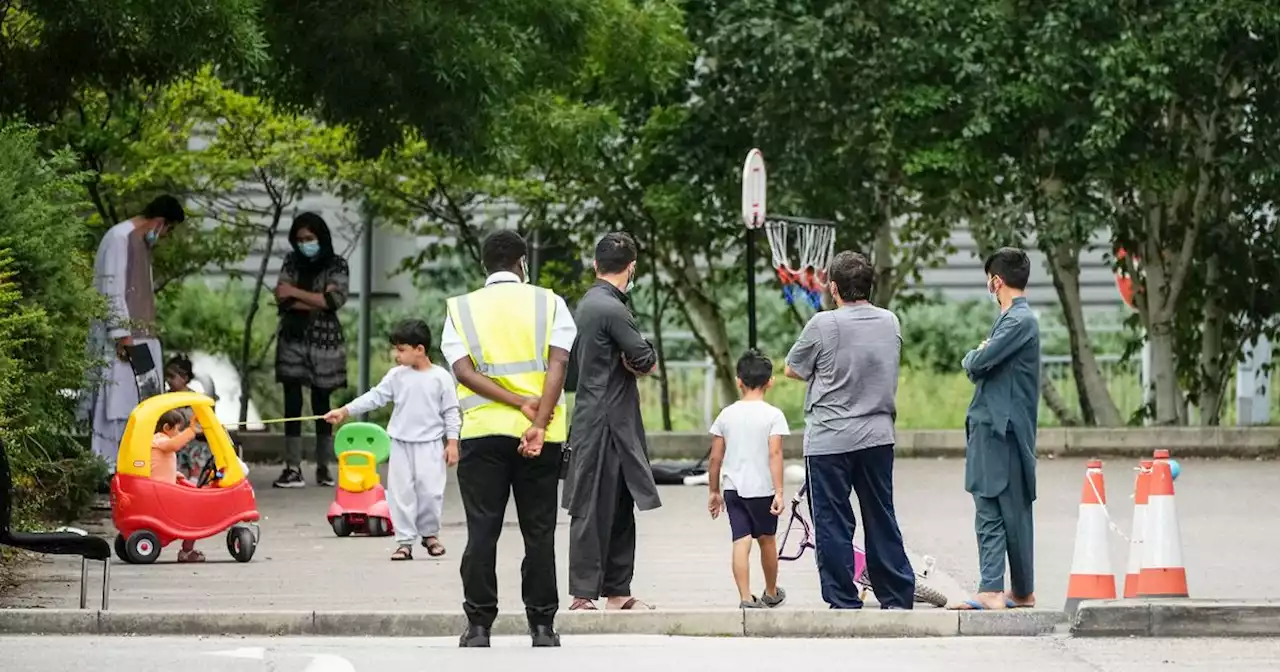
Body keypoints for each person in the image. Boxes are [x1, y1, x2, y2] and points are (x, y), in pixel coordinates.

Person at [441, 230, 575, 648]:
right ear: (522, 262)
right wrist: (538, 417)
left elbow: (462, 372)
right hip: (541, 436)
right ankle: (542, 628)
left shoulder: (460, 309)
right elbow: (560, 362)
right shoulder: (550, 302)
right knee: (540, 532)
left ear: (485, 265)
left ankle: (479, 627)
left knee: (482, 530)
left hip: (482, 435)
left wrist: (515, 401)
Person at [784, 250, 915, 610]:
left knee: (832, 520)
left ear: (834, 287)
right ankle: (896, 595)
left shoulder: (823, 324)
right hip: (877, 435)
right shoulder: (891, 321)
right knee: (880, 514)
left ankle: (844, 598)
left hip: (830, 438)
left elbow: (793, 368)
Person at [563, 231, 661, 612]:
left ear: (595, 264)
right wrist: (637, 360)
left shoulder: (592, 303)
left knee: (619, 505)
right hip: (604, 420)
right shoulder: (611, 309)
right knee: (590, 507)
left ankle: (618, 592)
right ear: (632, 266)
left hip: (608, 417)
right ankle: (583, 594)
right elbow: (645, 359)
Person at [323, 319, 461, 561]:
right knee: (401, 493)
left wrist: (452, 443)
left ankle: (430, 535)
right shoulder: (396, 376)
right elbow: (375, 397)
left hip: (430, 445)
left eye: (401, 349)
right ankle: (405, 542)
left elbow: (451, 412)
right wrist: (345, 411)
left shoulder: (441, 378)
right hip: (400, 443)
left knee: (431, 492)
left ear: (419, 349)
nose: (395, 354)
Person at [951, 247, 1041, 611]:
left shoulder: (1017, 321)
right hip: (1010, 429)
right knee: (1013, 510)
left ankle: (991, 589)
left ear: (996, 280)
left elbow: (979, 362)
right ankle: (1021, 590)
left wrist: (973, 356)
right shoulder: (1019, 319)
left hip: (996, 428)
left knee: (988, 504)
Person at [83, 195, 186, 474]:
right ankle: (108, 469)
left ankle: (137, 467)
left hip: (144, 338)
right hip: (125, 340)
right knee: (117, 405)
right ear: (160, 222)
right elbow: (111, 290)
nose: (166, 237)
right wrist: (122, 334)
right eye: (169, 230)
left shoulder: (141, 244)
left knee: (142, 405)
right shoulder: (119, 238)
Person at [272, 212, 350, 489]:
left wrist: (296, 293)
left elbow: (333, 300)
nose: (305, 243)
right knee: (291, 402)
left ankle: (323, 467)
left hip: (324, 343)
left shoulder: (337, 264)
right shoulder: (292, 261)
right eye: (300, 239)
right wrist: (314, 299)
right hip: (293, 339)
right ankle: (292, 467)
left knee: (322, 402)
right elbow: (281, 298)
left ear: (321, 237)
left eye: (310, 238)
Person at [706, 349, 789, 609]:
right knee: (767, 540)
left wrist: (713, 491)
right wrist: (779, 492)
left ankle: (744, 596)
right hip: (763, 489)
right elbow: (775, 454)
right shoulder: (773, 415)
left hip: (732, 489)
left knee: (740, 541)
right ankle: (772, 591)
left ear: (738, 380)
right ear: (770, 382)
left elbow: (715, 459)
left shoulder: (726, 414)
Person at [151, 409, 205, 562]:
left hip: (163, 487)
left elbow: (158, 464)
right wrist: (191, 431)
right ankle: (187, 551)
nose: (179, 433)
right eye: (178, 429)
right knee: (192, 514)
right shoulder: (159, 439)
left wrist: (174, 474)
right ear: (167, 428)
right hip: (162, 492)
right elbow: (173, 445)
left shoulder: (158, 442)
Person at [164, 354, 214, 481]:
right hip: (172, 442)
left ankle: (195, 481)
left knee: (199, 451)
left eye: (172, 376)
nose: (168, 380)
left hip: (193, 441)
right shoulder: (164, 398)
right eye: (167, 376)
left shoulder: (196, 399)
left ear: (185, 378)